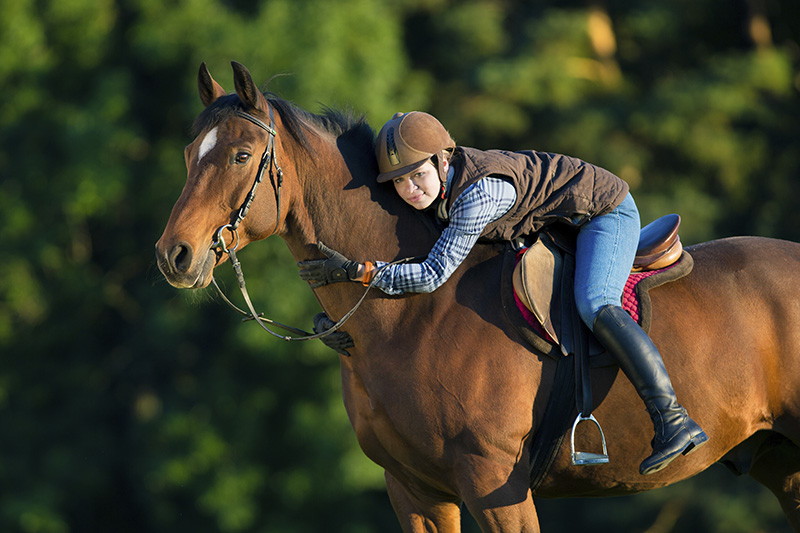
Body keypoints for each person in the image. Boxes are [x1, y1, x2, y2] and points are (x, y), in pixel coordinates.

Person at [298, 111, 708, 475]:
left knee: (595, 302)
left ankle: (673, 418)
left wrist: (362, 273)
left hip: (603, 211)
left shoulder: (478, 195)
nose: (409, 190)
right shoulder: (439, 189)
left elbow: (432, 273)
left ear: (443, 160)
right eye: (399, 182)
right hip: (554, 215)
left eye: (417, 175)